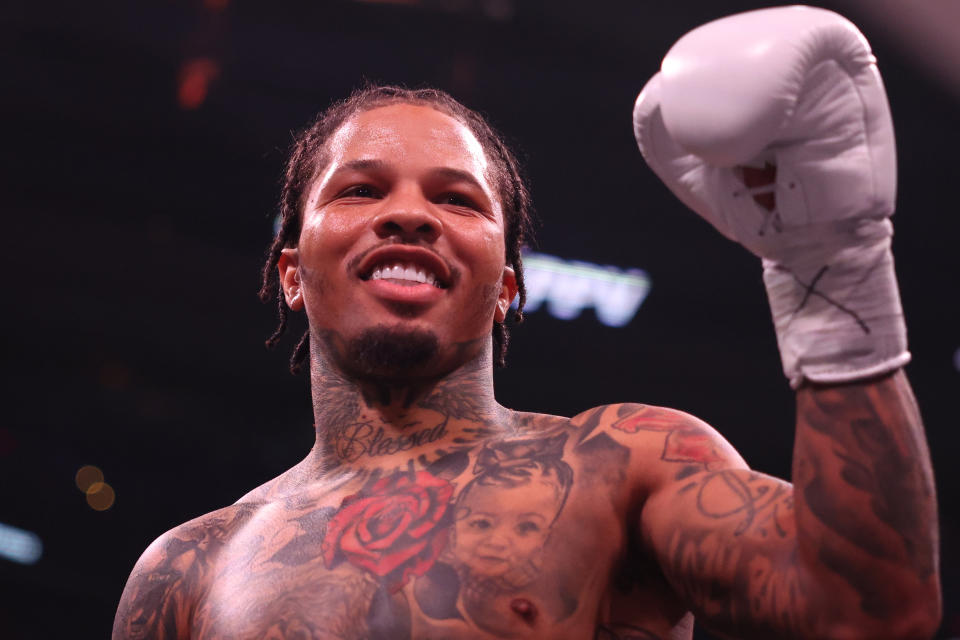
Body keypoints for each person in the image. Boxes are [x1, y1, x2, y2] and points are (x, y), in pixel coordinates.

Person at [113, 6, 941, 639]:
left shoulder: (623, 466)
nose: (410, 215)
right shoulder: (186, 568)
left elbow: (871, 611)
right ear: (292, 272)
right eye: (361, 189)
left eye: (456, 198)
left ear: (509, 285)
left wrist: (830, 272)